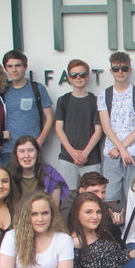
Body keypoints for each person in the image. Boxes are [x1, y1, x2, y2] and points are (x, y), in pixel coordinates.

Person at [97, 51, 135, 210]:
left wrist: (123, 149)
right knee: (109, 196)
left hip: (134, 151)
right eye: (116, 69)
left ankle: (132, 232)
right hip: (112, 152)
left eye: (124, 68)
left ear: (130, 70)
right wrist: (120, 149)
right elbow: (106, 127)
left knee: (134, 196)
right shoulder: (104, 95)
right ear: (111, 71)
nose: (120, 72)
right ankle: (112, 230)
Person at [54, 59, 102, 188]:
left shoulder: (95, 101)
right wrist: (72, 153)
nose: (78, 78)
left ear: (87, 77)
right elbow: (59, 128)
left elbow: (98, 130)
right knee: (68, 197)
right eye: (74, 75)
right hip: (67, 157)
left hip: (90, 158)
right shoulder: (63, 100)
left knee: (93, 195)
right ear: (69, 77)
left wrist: (84, 153)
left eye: (82, 74)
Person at [0, 50, 54, 166]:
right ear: (5, 69)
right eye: (10, 66)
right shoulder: (2, 90)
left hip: (31, 149)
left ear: (25, 67)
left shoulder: (37, 88)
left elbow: (49, 118)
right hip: (8, 150)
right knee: (8, 183)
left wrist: (39, 141)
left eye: (18, 65)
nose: (14, 70)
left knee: (31, 183)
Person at [9, 136, 69, 205]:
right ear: (16, 154)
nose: (26, 155)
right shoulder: (8, 175)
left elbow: (55, 208)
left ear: (37, 153)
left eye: (30, 150)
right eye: (22, 151)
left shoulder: (52, 175)